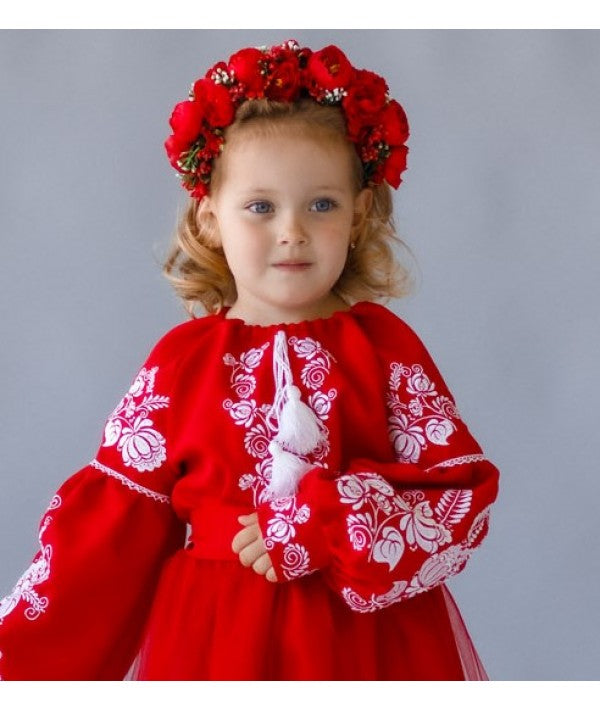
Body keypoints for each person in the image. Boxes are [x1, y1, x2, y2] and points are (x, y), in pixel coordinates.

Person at [0, 39, 499, 681]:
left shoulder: (385, 349)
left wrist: (323, 523)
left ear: (358, 213)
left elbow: (460, 494)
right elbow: (112, 532)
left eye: (321, 204)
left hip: (370, 648)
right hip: (215, 642)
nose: (291, 229)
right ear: (210, 217)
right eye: (261, 207)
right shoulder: (181, 364)